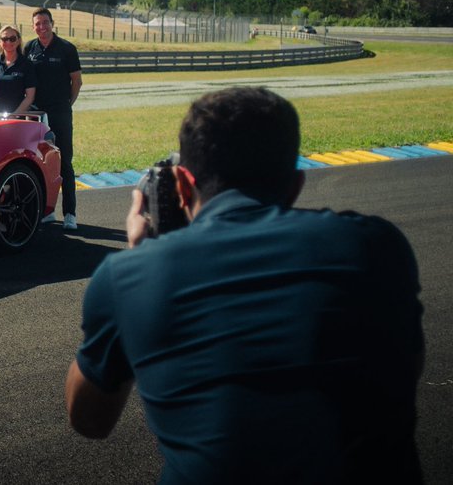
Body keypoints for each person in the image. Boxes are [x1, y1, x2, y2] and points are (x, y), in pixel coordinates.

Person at [65, 86, 425, 485]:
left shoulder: (128, 275)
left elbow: (89, 420)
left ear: (183, 186)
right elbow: (404, 370)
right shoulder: (379, 246)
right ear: (295, 185)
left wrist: (139, 263)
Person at [25, 7, 81, 229]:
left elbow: (77, 81)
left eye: (45, 22)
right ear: (33, 27)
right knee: (40, 162)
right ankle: (47, 210)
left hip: (60, 112)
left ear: (52, 23)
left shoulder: (67, 48)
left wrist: (67, 104)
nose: (42, 27)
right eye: (38, 24)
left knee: (64, 161)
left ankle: (70, 213)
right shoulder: (29, 48)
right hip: (36, 115)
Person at [0, 25, 35, 115]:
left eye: (12, 39)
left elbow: (30, 97)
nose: (8, 42)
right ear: (0, 41)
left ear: (19, 41)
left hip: (17, 117)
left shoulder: (27, 64)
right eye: (4, 39)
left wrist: (15, 115)